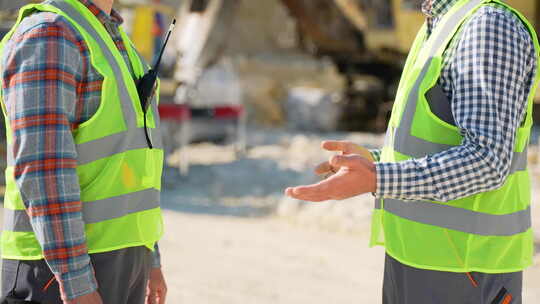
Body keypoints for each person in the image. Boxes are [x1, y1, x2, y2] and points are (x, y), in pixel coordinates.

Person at [286, 0, 539, 303]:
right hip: (417, 259)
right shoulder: (439, 24)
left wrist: (378, 178)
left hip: (466, 268)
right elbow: (438, 141)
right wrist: (376, 162)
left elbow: (486, 160)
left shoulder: (489, 26)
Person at [0, 0, 167, 303]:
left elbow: (130, 162)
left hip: (121, 262)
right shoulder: (49, 34)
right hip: (56, 273)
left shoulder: (111, 36)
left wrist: (149, 256)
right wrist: (76, 283)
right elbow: (44, 169)